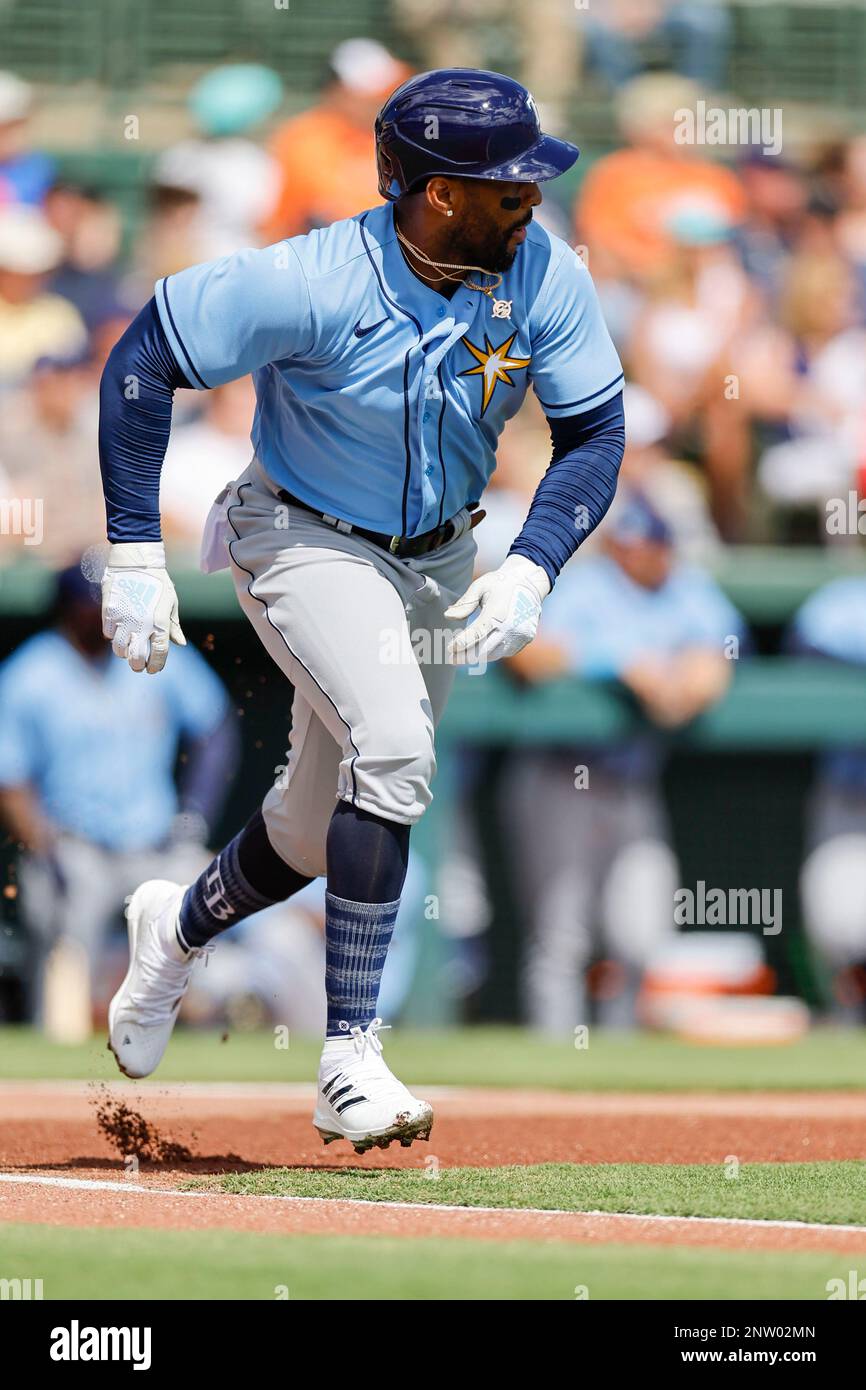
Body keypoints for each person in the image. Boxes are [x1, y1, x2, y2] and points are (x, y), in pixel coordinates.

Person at [97, 68, 625, 1154]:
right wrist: (132, 552)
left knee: (308, 820)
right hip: (298, 531)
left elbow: (595, 433)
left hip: (438, 554)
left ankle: (174, 928)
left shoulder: (543, 273)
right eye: (508, 186)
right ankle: (348, 1055)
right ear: (437, 193)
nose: (531, 202)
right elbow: (145, 359)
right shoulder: (311, 276)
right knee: (393, 750)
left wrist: (531, 563)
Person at [503, 492, 745, 1033]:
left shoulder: (686, 590)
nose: (638, 556)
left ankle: (619, 1064)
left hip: (632, 782)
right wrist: (620, 663)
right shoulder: (584, 583)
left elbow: (718, 656)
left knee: (643, 933)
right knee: (561, 937)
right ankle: (556, 1071)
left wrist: (686, 682)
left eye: (649, 546)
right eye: (628, 545)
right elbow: (524, 653)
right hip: (560, 774)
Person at [0, 564, 238, 1024]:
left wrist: (195, 816)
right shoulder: (31, 672)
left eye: (106, 605)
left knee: (200, 899)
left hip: (156, 845)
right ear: (66, 610)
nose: (100, 616)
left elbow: (215, 727)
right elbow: (10, 780)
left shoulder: (149, 650)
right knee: (65, 976)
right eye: (89, 607)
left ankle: (203, 1029)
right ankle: (60, 1054)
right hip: (75, 848)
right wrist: (43, 848)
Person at [791, 579, 866, 1017]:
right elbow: (814, 632)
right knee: (839, 932)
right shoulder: (843, 599)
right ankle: (846, 1031)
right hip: (850, 796)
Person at [259, 39, 411, 242]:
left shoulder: (381, 136)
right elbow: (326, 212)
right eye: (372, 94)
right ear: (337, 90)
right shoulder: (308, 139)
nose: (383, 100)